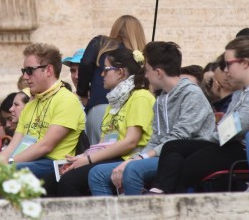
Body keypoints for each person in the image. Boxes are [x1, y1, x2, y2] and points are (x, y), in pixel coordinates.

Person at [148, 37, 249, 194]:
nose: (225, 70)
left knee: (190, 164)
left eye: (228, 64)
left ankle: (168, 198)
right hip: (229, 144)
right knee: (173, 147)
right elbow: (227, 128)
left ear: (246, 63)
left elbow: (234, 129)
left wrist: (207, 139)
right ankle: (159, 189)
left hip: (247, 150)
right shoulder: (240, 92)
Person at [87, 41, 216, 196]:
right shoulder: (161, 97)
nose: (145, 75)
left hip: (187, 157)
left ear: (159, 72)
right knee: (97, 174)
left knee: (132, 170)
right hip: (162, 155)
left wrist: (138, 159)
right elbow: (155, 138)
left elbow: (179, 138)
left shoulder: (191, 94)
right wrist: (135, 158)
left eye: (147, 71)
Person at [54, 47, 154, 196]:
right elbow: (103, 143)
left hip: (129, 158)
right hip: (112, 156)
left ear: (120, 72)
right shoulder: (114, 101)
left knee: (70, 181)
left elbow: (131, 142)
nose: (101, 74)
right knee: (59, 175)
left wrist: (88, 159)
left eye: (106, 69)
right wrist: (83, 157)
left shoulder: (140, 97)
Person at [0, 43, 85, 179]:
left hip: (54, 165)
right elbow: (11, 147)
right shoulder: (30, 106)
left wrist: (9, 162)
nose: (25, 77)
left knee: (7, 172)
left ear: (48, 70)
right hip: (28, 162)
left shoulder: (67, 100)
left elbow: (45, 146)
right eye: (24, 71)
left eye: (29, 70)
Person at [77, 15, 147, 146]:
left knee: (96, 149)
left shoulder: (100, 43)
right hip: (129, 111)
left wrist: (82, 92)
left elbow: (86, 64)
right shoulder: (138, 55)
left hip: (100, 103)